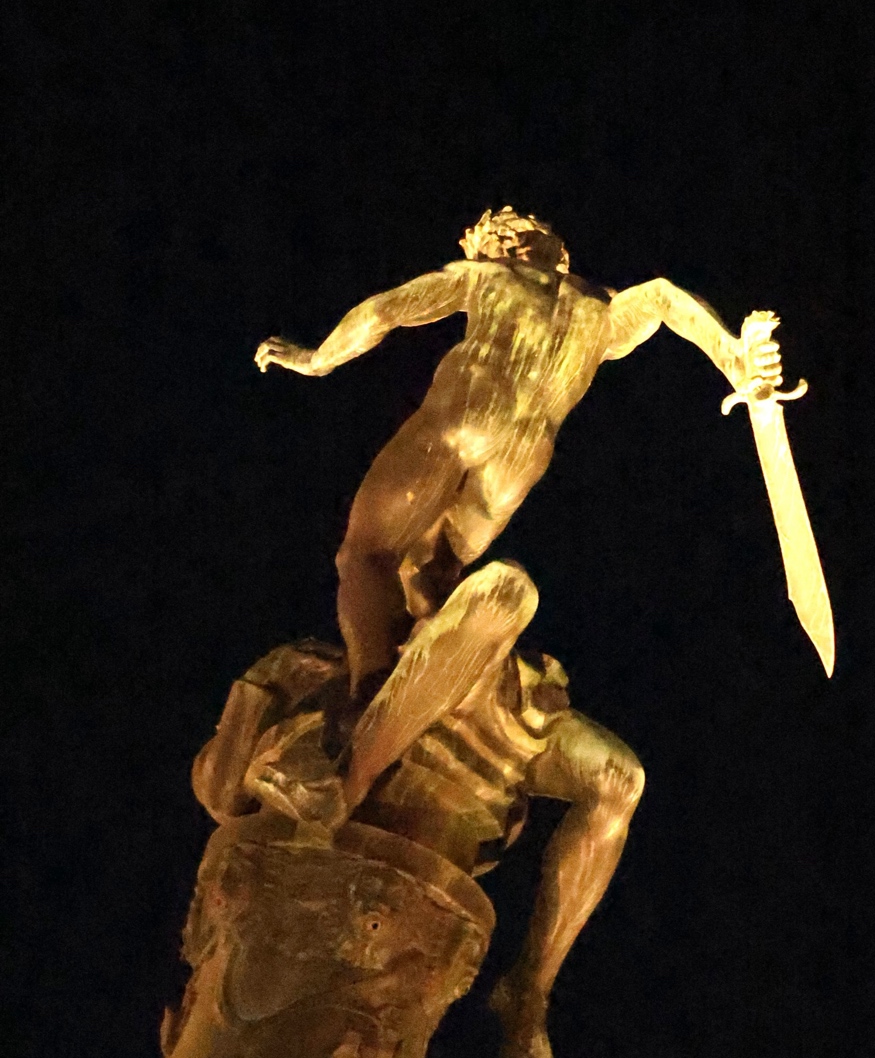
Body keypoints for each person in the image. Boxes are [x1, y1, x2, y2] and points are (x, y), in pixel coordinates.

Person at [256, 205, 783, 693]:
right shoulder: (603, 311)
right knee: (430, 576)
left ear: (500, 250)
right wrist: (735, 359)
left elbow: (383, 312)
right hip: (522, 458)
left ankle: (370, 690)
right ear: (559, 254)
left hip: (463, 419)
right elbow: (666, 297)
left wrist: (316, 359)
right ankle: (428, 676)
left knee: (366, 555)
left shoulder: (488, 278)